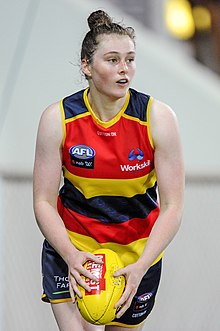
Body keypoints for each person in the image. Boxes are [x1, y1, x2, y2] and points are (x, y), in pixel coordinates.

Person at [33, 9, 185, 331]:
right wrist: (72, 256)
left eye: (130, 59)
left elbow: (173, 206)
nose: (124, 69)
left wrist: (142, 265)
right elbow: (43, 202)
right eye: (112, 60)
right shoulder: (56, 119)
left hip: (135, 255)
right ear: (86, 66)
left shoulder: (158, 118)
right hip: (73, 249)